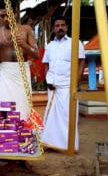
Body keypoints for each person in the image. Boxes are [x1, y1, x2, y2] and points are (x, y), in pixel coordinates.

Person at [0, 0, 39, 172]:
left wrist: (24, 46)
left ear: (14, 13)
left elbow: (36, 55)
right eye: (1, 16)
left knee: (24, 113)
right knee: (7, 116)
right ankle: (10, 157)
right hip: (6, 74)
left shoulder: (26, 29)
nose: (5, 19)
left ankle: (24, 155)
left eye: (8, 15)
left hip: (22, 73)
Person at [41, 15, 85, 152]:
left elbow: (81, 61)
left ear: (67, 27)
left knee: (67, 116)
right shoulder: (50, 46)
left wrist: (76, 81)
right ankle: (50, 143)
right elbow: (46, 64)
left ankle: (68, 145)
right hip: (52, 87)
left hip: (68, 87)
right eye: (57, 25)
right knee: (51, 115)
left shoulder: (75, 43)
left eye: (62, 25)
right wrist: (47, 80)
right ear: (53, 29)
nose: (60, 28)